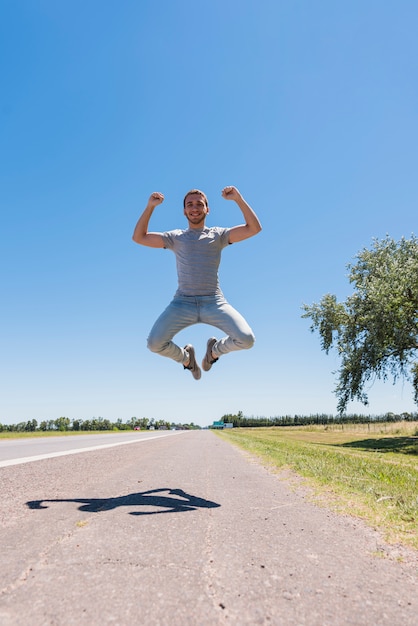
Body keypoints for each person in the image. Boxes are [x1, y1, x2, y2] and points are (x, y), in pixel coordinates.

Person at [132, 186, 262, 380]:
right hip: (182, 303)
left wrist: (238, 199)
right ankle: (187, 359)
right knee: (154, 343)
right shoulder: (175, 237)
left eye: (199, 204)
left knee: (246, 339)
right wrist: (150, 206)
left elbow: (254, 228)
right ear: (184, 211)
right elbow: (139, 237)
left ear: (207, 209)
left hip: (214, 302)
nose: (195, 208)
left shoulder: (219, 235)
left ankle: (214, 352)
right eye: (190, 204)